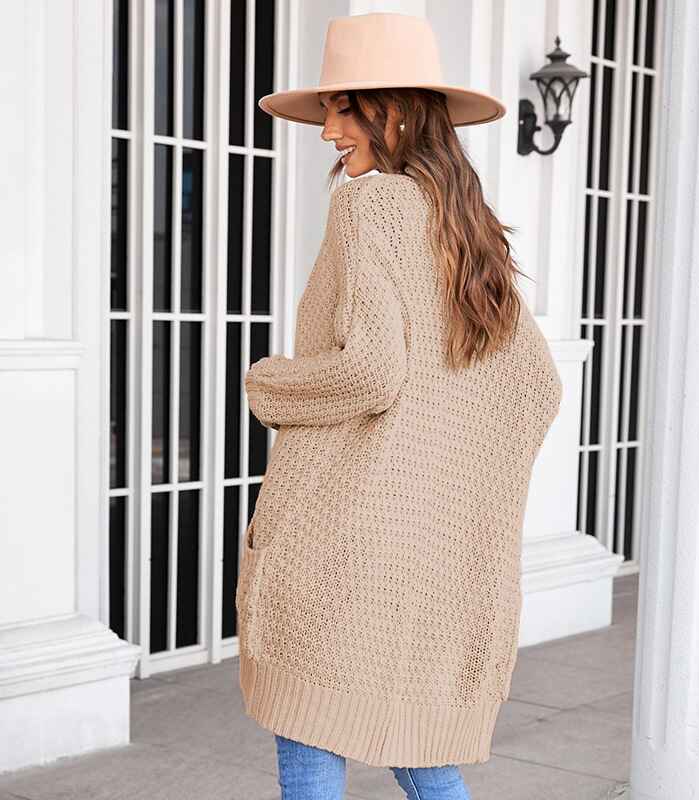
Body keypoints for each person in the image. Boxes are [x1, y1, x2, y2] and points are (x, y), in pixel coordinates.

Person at [237, 12, 563, 800]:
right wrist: (446, 486)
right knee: (418, 752)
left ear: (399, 111)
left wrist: (269, 385)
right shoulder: (464, 226)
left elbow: (373, 373)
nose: (328, 133)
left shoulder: (369, 206)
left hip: (344, 533)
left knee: (312, 728)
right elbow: (535, 387)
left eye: (344, 110)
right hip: (421, 553)